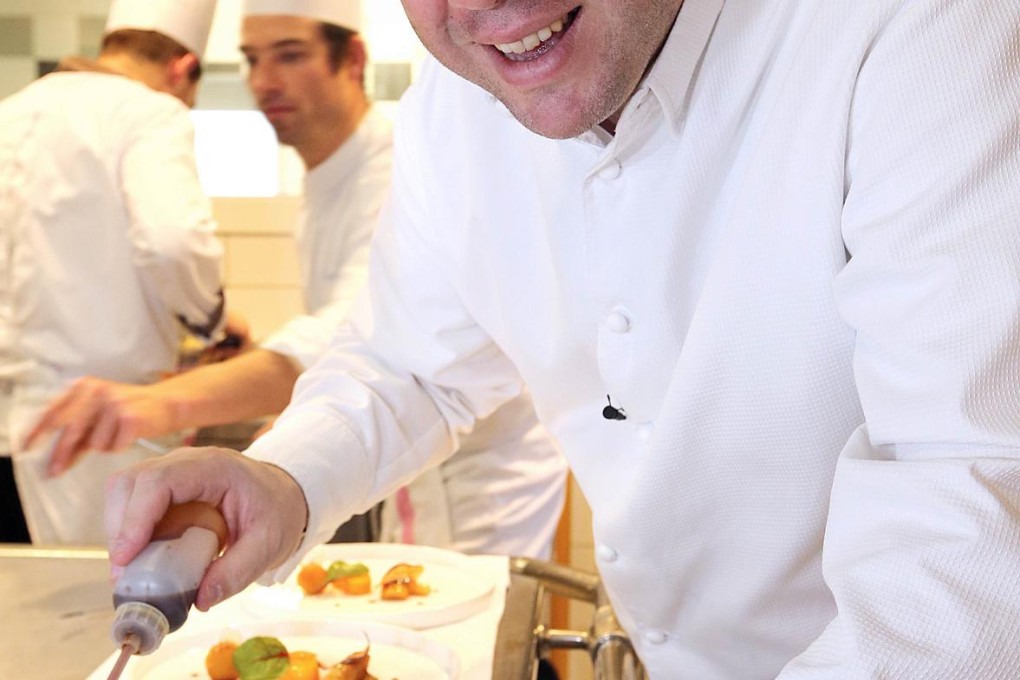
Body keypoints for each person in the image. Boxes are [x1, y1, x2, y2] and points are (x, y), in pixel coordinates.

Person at [100, 0, 1020, 678]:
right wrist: (283, 477)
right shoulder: (456, 109)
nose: (478, 7)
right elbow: (408, 366)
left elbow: (970, 490)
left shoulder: (913, 29)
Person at [27, 0, 568, 559]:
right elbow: (361, 342)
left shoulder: (395, 164)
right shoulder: (326, 180)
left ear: (352, 59)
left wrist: (156, 403)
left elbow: (350, 340)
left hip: (474, 489)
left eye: (290, 55)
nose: (264, 82)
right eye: (251, 59)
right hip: (401, 463)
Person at [0, 0, 239, 545]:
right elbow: (173, 241)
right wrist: (211, 320)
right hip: (90, 430)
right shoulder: (150, 111)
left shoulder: (11, 110)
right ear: (182, 70)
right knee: (98, 615)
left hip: (12, 422)